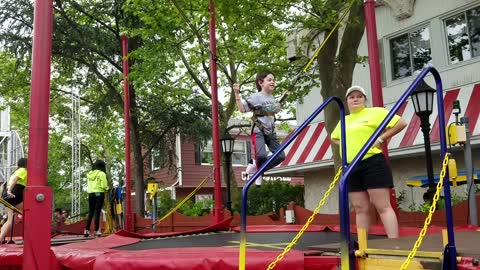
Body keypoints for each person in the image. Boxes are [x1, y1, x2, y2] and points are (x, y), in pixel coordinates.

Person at [331, 85, 407, 239]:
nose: (356, 99)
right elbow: (334, 137)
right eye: (352, 97)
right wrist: (348, 146)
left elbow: (401, 123)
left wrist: (380, 138)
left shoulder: (375, 112)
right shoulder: (344, 120)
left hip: (372, 162)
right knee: (360, 207)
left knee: (382, 205)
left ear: (365, 99)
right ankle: (363, 244)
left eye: (359, 96)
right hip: (351, 165)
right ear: (347, 102)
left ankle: (394, 242)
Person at [233, 71, 288, 186]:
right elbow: (242, 110)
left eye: (273, 80)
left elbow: (273, 110)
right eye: (269, 80)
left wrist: (278, 106)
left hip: (271, 132)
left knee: (281, 156)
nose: (273, 82)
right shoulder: (255, 97)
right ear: (261, 82)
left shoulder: (273, 98)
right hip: (259, 130)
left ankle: (257, 168)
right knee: (261, 155)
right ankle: (259, 170)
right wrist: (237, 94)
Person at [0, 158, 27, 244]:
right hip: (14, 194)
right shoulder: (23, 170)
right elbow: (14, 179)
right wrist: (9, 191)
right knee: (30, 210)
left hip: (11, 196)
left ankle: (0, 238)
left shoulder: (18, 170)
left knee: (11, 220)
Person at [84, 159, 108, 237]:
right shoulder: (102, 174)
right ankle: (96, 230)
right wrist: (107, 189)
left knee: (90, 212)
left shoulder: (89, 174)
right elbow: (104, 186)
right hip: (99, 193)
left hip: (90, 194)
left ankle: (86, 230)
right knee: (97, 212)